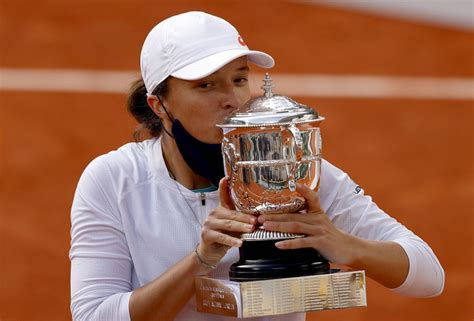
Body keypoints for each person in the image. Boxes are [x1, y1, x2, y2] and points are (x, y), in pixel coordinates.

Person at [69, 11, 444, 321]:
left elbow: (428, 276)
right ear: (159, 105)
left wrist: (344, 245)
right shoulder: (114, 179)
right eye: (206, 86)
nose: (232, 100)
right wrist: (201, 260)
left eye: (239, 79)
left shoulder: (295, 170)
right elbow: (91, 315)